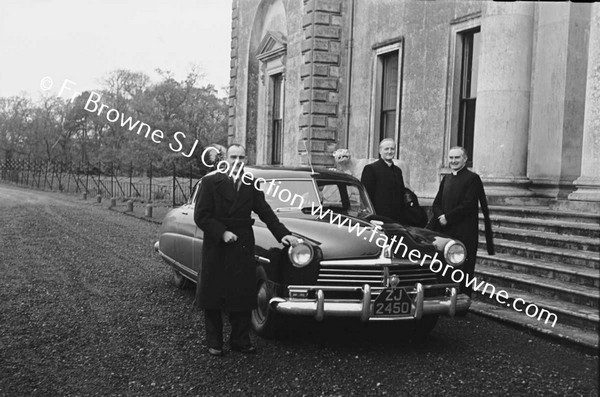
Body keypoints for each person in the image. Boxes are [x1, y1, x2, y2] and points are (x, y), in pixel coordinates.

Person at [193, 144, 298, 356]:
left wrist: (282, 233)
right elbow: (201, 215)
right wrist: (222, 232)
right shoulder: (210, 182)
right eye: (233, 157)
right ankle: (214, 342)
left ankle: (240, 340)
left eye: (241, 157)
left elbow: (265, 211)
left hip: (242, 242)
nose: (237, 161)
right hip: (217, 245)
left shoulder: (251, 183)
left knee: (241, 293)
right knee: (214, 294)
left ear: (246, 159)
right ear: (225, 159)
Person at [429, 146, 495, 297]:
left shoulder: (472, 179)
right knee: (445, 265)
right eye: (451, 158)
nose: (453, 161)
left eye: (457, 158)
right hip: (445, 230)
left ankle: (463, 301)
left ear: (465, 159)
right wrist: (440, 217)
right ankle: (445, 297)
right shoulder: (447, 179)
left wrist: (448, 217)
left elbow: (468, 204)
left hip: (464, 230)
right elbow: (436, 203)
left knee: (464, 267)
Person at [360, 138, 408, 224]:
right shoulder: (371, 169)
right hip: (378, 220)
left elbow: (401, 195)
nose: (390, 152)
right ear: (380, 151)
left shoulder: (398, 171)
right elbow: (366, 197)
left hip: (397, 220)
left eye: (392, 149)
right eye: (386, 149)